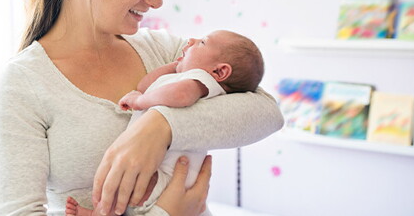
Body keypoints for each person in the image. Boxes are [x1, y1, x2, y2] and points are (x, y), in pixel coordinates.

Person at [0, 0, 284, 215]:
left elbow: (268, 112)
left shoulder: (166, 53)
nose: (157, 0)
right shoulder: (23, 84)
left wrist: (159, 127)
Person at [64, 30, 264, 216]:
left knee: (130, 182)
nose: (191, 41)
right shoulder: (184, 77)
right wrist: (173, 68)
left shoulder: (202, 81)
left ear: (220, 72)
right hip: (170, 172)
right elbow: (145, 86)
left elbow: (182, 95)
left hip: (172, 175)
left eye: (203, 42)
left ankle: (100, 212)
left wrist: (140, 101)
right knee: (125, 181)